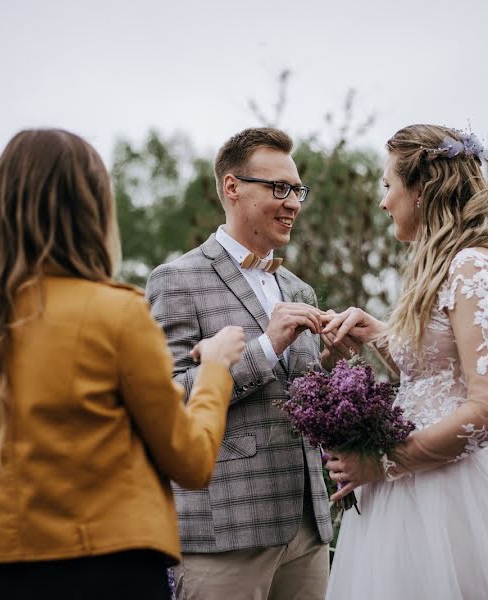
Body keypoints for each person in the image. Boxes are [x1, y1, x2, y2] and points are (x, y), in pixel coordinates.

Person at [0, 128, 246, 600]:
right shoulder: (117, 313)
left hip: (5, 579)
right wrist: (215, 370)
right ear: (93, 210)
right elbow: (191, 461)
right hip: (111, 576)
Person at [322, 124, 488, 599]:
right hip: (405, 498)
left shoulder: (473, 267)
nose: (384, 202)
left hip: (459, 500)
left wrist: (382, 460)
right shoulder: (439, 267)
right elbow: (438, 373)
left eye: (387, 186)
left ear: (420, 190)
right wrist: (378, 333)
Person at [146, 127, 335, 600]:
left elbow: (300, 401)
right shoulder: (176, 280)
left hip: (308, 530)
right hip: (225, 532)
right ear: (232, 187)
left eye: (297, 190)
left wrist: (335, 369)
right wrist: (266, 347)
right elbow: (168, 397)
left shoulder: (299, 290)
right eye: (278, 188)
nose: (293, 202)